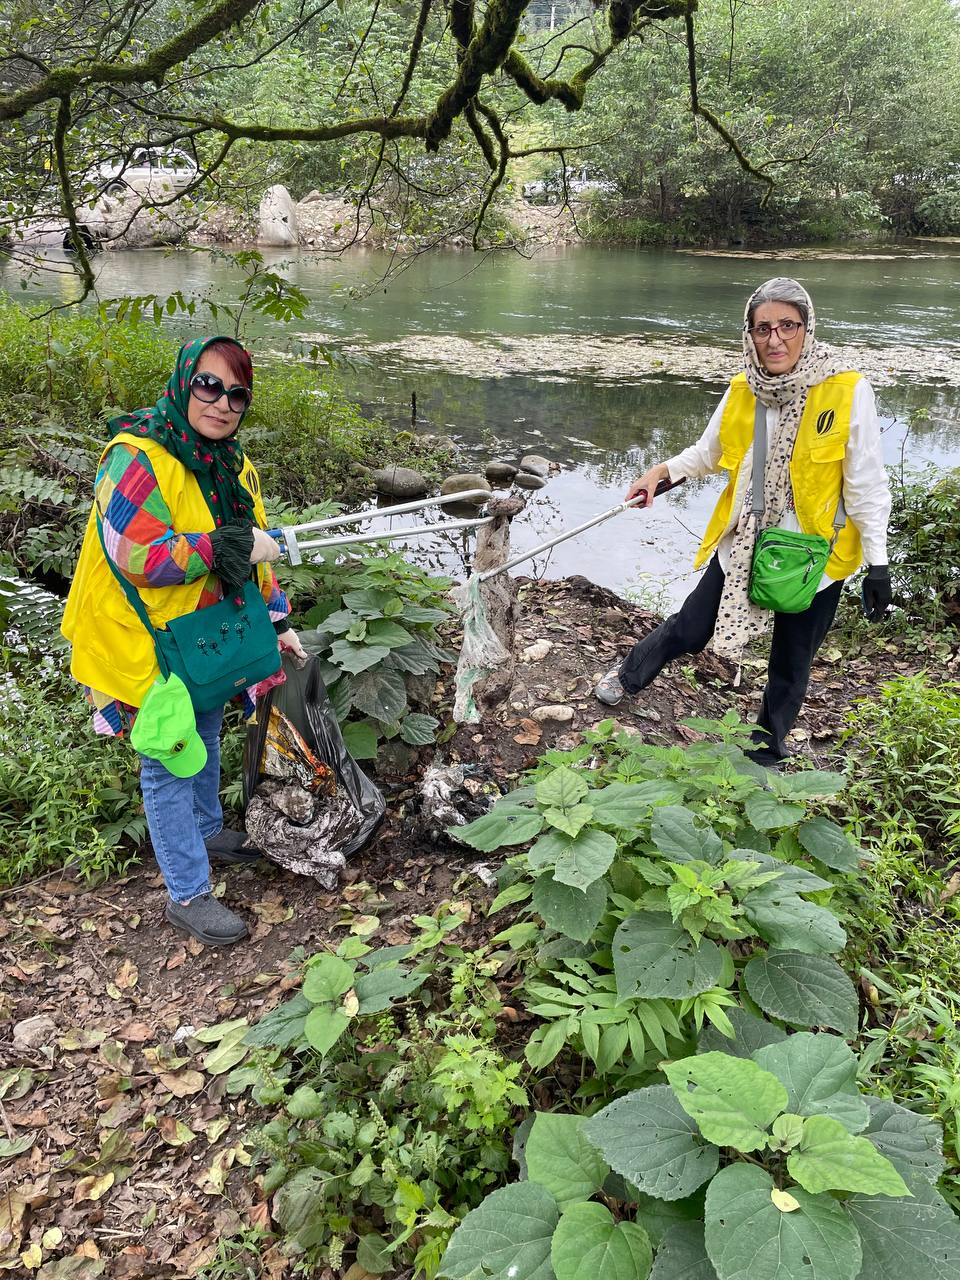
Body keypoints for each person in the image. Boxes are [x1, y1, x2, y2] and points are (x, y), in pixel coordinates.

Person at [62, 336, 308, 946]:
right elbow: (137, 554)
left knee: (207, 727)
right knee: (170, 756)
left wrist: (278, 619)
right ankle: (188, 892)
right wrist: (218, 547)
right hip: (137, 639)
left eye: (237, 394)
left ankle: (206, 830)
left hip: (198, 636)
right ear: (182, 383)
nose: (222, 403)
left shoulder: (230, 464)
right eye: (209, 385)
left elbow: (254, 553)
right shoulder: (135, 457)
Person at [594, 277, 892, 766]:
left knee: (791, 663)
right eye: (762, 328)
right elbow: (707, 454)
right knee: (690, 627)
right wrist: (660, 473)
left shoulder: (846, 389)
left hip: (816, 556)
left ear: (807, 327)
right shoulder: (743, 390)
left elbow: (866, 483)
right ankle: (627, 677)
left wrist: (877, 565)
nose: (774, 340)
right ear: (749, 334)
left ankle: (765, 753)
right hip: (747, 543)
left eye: (787, 326)